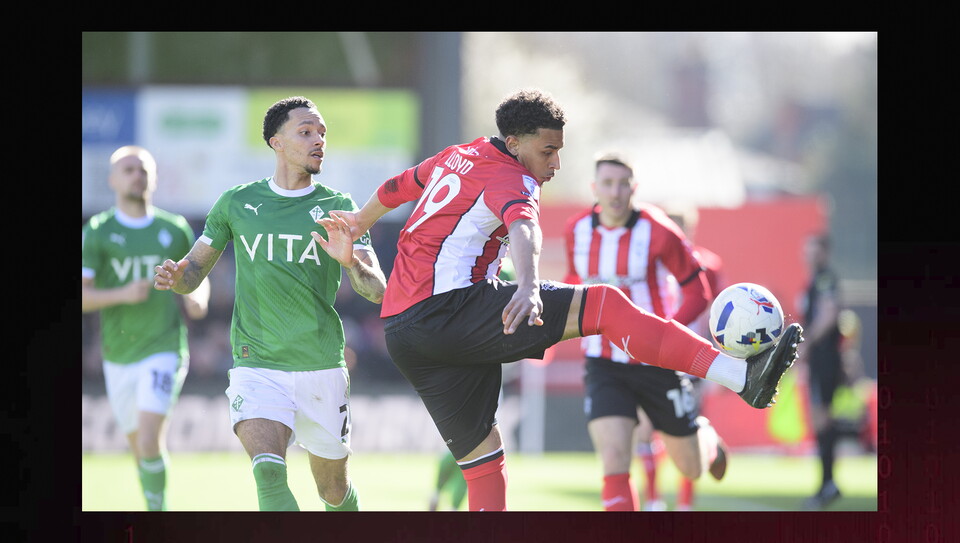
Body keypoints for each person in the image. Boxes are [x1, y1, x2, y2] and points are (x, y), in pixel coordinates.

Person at [327, 88, 803, 511]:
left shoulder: (457, 155)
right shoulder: (514, 178)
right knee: (607, 305)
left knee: (484, 460)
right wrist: (529, 286)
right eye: (547, 151)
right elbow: (524, 229)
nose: (555, 164)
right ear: (514, 143)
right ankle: (741, 376)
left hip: (405, 332)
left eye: (559, 151)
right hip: (453, 309)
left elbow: (399, 186)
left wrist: (359, 222)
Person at [153, 96, 387, 511]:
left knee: (333, 491)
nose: (319, 140)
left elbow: (377, 290)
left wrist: (351, 262)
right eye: (306, 132)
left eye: (322, 133)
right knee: (268, 472)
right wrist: (176, 277)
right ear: (276, 142)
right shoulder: (236, 203)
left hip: (321, 366)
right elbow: (192, 274)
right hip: (256, 366)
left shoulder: (340, 208)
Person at [563, 153, 729, 512]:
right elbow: (574, 282)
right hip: (603, 364)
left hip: (658, 363)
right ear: (594, 188)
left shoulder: (658, 230)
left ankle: (707, 440)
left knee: (691, 467)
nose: (615, 192)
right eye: (607, 184)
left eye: (623, 184)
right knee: (614, 460)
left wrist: (666, 339)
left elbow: (697, 292)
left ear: (634, 188)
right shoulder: (576, 231)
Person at [82, 145, 211, 511]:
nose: (136, 176)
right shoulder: (98, 232)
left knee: (150, 439)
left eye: (143, 170)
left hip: (164, 347)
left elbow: (197, 276)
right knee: (140, 447)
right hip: (118, 353)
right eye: (128, 170)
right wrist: (122, 294)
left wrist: (196, 297)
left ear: (153, 179)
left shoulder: (174, 228)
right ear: (112, 180)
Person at [799, 233, 844, 510]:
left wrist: (807, 343)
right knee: (819, 420)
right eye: (808, 251)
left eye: (815, 251)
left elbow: (829, 315)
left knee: (824, 418)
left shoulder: (826, 278)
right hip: (818, 360)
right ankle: (827, 483)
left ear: (825, 253)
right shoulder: (814, 280)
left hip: (826, 359)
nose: (810, 256)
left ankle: (828, 484)